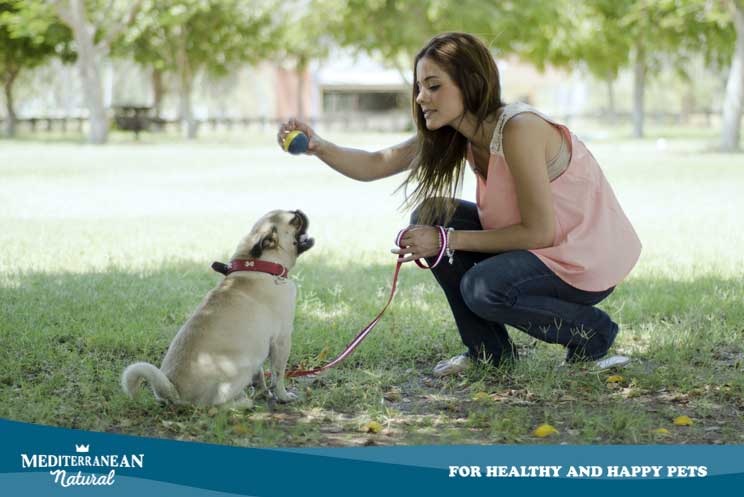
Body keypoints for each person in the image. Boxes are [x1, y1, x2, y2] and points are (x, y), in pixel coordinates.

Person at [277, 32, 641, 377]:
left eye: (434, 86)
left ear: (470, 84)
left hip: (578, 259)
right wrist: (318, 146)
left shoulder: (520, 129)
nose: (421, 97)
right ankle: (489, 354)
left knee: (482, 287)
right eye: (419, 87)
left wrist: (445, 240)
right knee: (433, 213)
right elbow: (376, 163)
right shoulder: (456, 133)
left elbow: (540, 231)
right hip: (539, 249)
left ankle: (593, 332)